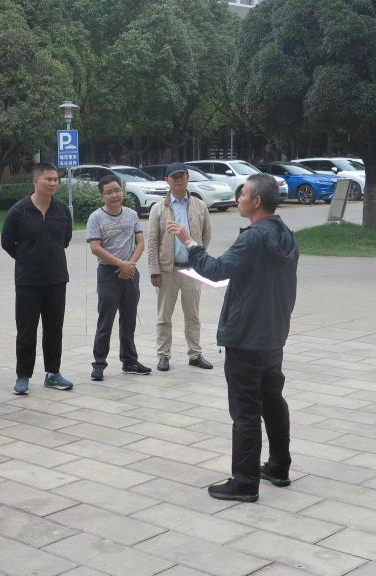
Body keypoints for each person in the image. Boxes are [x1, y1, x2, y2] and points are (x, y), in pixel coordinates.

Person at [166, 174, 298, 502]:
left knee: (246, 410)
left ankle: (245, 481)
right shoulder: (285, 233)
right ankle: (279, 467)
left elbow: (215, 269)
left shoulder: (254, 238)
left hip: (247, 336)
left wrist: (189, 242)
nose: (238, 198)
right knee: (273, 401)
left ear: (256, 201)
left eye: (243, 194)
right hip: (272, 333)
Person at [1, 162, 73, 395]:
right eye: (48, 179)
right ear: (35, 181)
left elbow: (65, 239)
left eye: (55, 179)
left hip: (56, 279)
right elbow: (6, 242)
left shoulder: (62, 210)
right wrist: (26, 258)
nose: (53, 183)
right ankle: (23, 376)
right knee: (26, 330)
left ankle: (53, 373)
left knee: (54, 329)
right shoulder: (19, 211)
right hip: (28, 281)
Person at [147, 162, 213, 372]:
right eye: (174, 176)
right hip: (168, 271)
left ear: (188, 178)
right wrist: (154, 270)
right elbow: (152, 242)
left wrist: (199, 258)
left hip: (192, 270)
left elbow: (206, 235)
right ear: (167, 180)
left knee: (193, 315)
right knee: (164, 316)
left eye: (182, 175)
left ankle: (195, 354)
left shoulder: (199, 205)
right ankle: (163, 355)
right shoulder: (158, 208)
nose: (178, 179)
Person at [86, 175, 152, 381]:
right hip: (108, 273)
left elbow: (140, 242)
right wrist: (120, 264)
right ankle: (99, 364)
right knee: (106, 320)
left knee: (129, 320)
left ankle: (130, 361)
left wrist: (129, 265)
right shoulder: (96, 218)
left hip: (130, 272)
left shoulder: (132, 215)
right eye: (109, 192)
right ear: (101, 196)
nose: (114, 195)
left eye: (117, 190)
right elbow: (95, 248)